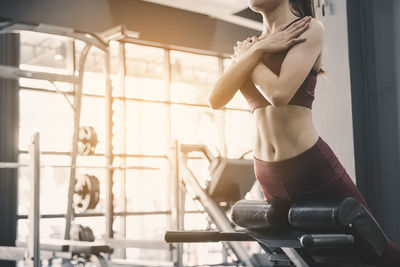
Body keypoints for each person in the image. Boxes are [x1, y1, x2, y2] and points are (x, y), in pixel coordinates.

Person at [207, 0, 400, 265]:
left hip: (309, 167)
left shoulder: (307, 29)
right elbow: (215, 99)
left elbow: (279, 93)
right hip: (266, 172)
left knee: (377, 249)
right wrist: (258, 50)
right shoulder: (252, 46)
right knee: (308, 255)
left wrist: (249, 57)